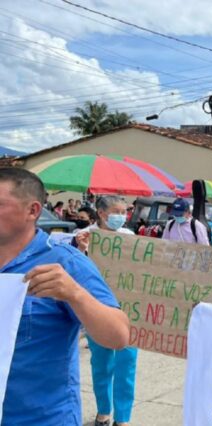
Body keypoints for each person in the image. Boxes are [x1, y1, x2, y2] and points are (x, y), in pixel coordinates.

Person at [0, 168, 129, 424]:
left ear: (33, 211)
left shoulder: (65, 264)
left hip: (41, 418)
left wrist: (75, 294)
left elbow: (118, 335)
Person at [74, 196, 139, 426]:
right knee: (101, 363)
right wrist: (81, 249)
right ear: (101, 213)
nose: (122, 216)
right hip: (98, 310)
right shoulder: (84, 237)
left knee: (127, 364)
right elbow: (74, 271)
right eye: (116, 211)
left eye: (124, 211)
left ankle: (123, 418)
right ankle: (103, 411)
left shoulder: (130, 237)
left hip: (129, 310)